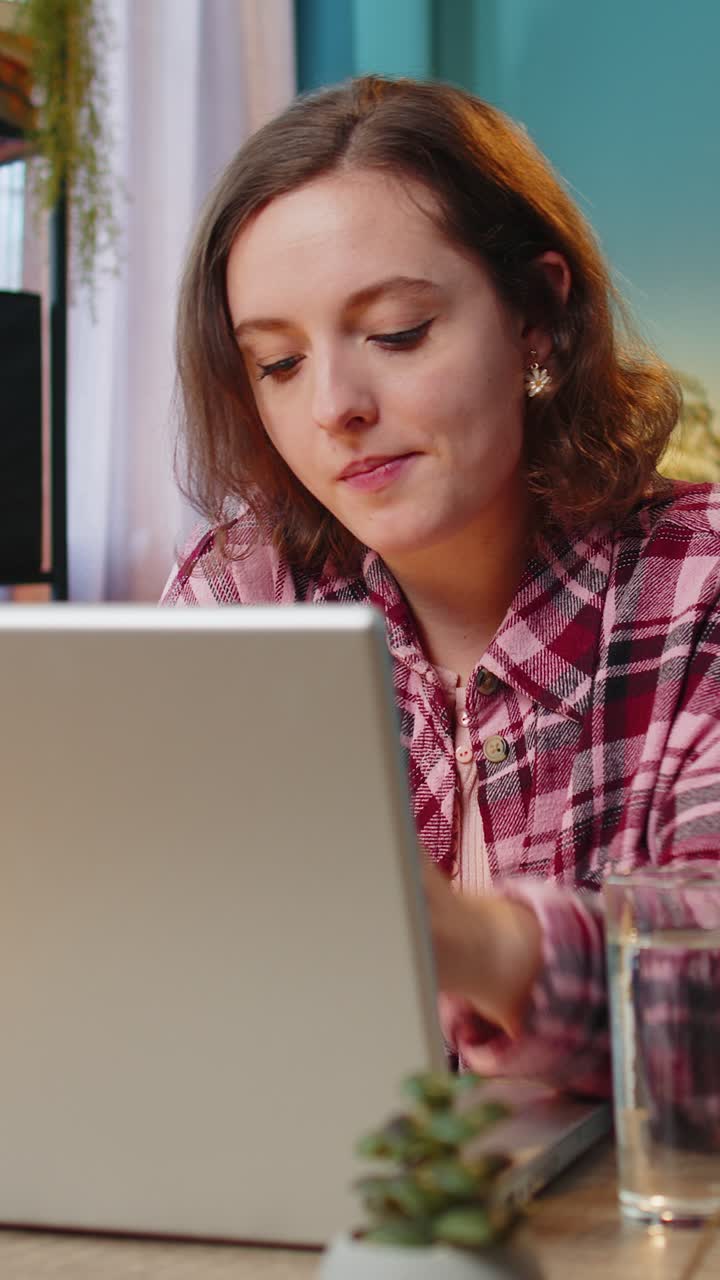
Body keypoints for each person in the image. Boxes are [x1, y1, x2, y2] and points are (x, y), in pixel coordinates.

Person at [162, 75, 720, 1096]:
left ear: (537, 318)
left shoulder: (700, 587)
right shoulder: (239, 597)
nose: (334, 406)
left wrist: (483, 943)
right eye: (278, 363)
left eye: (398, 333)